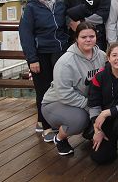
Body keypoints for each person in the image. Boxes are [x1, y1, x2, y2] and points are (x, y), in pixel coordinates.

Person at [41, 22, 106, 156]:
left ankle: (90, 132)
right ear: (76, 38)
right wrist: (90, 107)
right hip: (55, 102)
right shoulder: (65, 62)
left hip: (85, 101)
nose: (88, 40)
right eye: (83, 37)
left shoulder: (102, 56)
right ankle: (59, 139)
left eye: (91, 36)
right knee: (79, 120)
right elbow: (64, 93)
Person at [19, 0, 69, 141]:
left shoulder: (60, 5)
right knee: (43, 90)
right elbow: (25, 34)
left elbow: (67, 26)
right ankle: (47, 126)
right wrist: (31, 59)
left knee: (58, 88)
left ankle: (46, 120)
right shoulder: (31, 7)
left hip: (59, 52)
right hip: (40, 54)